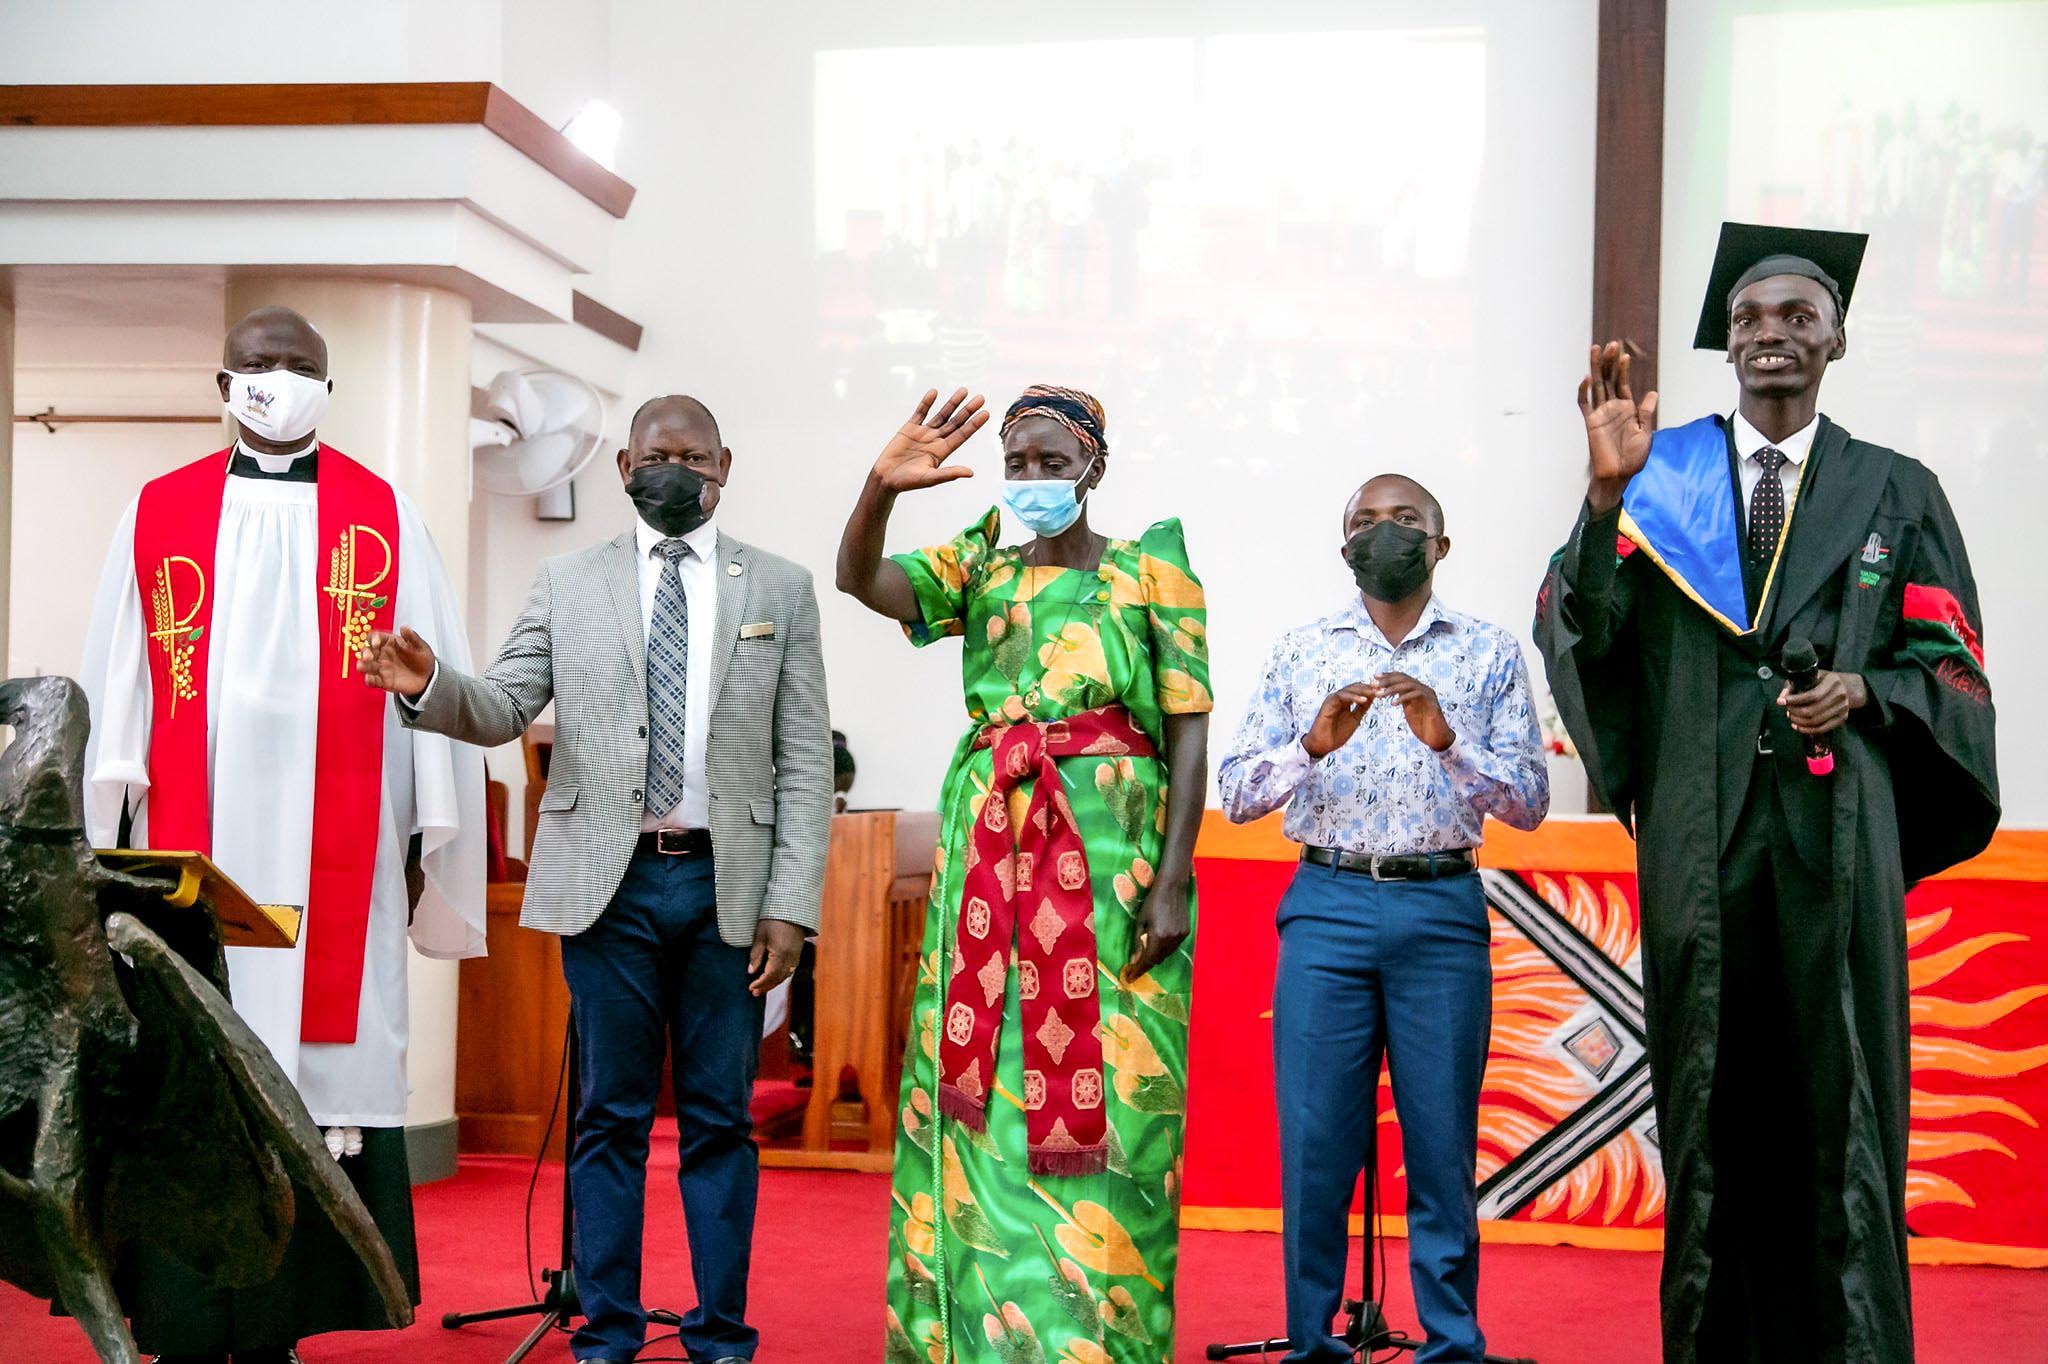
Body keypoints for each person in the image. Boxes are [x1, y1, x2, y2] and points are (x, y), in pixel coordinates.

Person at [1534, 223, 2000, 1363]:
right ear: (1724, 342)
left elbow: (1950, 670)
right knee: (1707, 1100)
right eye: (1748, 319)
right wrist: (1601, 505)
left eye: (1796, 316)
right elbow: (1583, 632)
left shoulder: (1896, 487)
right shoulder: (1659, 475)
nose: (1769, 335)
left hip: (1837, 835)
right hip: (1700, 835)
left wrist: (1867, 690)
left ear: (1834, 336)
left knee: (1841, 1102)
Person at [357, 395, 833, 1364]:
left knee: (717, 1120)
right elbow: (499, 707)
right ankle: (605, 1332)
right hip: (606, 889)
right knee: (608, 1115)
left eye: (694, 456)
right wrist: (426, 682)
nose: (675, 470)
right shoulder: (568, 580)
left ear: (724, 463)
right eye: (657, 455)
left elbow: (803, 759)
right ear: (622, 466)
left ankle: (721, 1335)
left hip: (725, 887)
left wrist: (792, 901)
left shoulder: (778, 588)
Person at [77, 305, 486, 1364]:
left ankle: (284, 1321)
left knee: (314, 1074)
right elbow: (119, 679)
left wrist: (427, 822)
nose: (278, 379)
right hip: (185, 850)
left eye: (299, 365)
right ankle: (175, 1315)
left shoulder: (384, 512)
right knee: (184, 1072)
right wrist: (99, 831)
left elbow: (428, 686)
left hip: (336, 867)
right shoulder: (155, 511)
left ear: (326, 384)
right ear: (225, 381)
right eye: (259, 364)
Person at [837, 385, 1211, 1364]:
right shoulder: (978, 565)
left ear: (1093, 464)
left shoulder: (1150, 571)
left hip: (1112, 865)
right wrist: (880, 487)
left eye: (1052, 461)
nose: (1033, 479)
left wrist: (1173, 876)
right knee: (984, 1078)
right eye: (1020, 463)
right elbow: (860, 578)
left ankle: (1094, 1334)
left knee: (1114, 1094)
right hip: (990, 849)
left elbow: (1186, 725)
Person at [1219, 475, 1549, 1364]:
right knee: (1318, 1146)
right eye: (1365, 522)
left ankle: (1451, 1345)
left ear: (1442, 546)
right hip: (1326, 907)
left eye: (1406, 521)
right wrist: (1308, 747)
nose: (1384, 533)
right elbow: (1238, 791)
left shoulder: (1487, 652)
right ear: (1343, 549)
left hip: (1440, 906)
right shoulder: (1303, 651)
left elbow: (1527, 803)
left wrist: (1449, 741)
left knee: (1441, 1146)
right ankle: (1311, 1345)